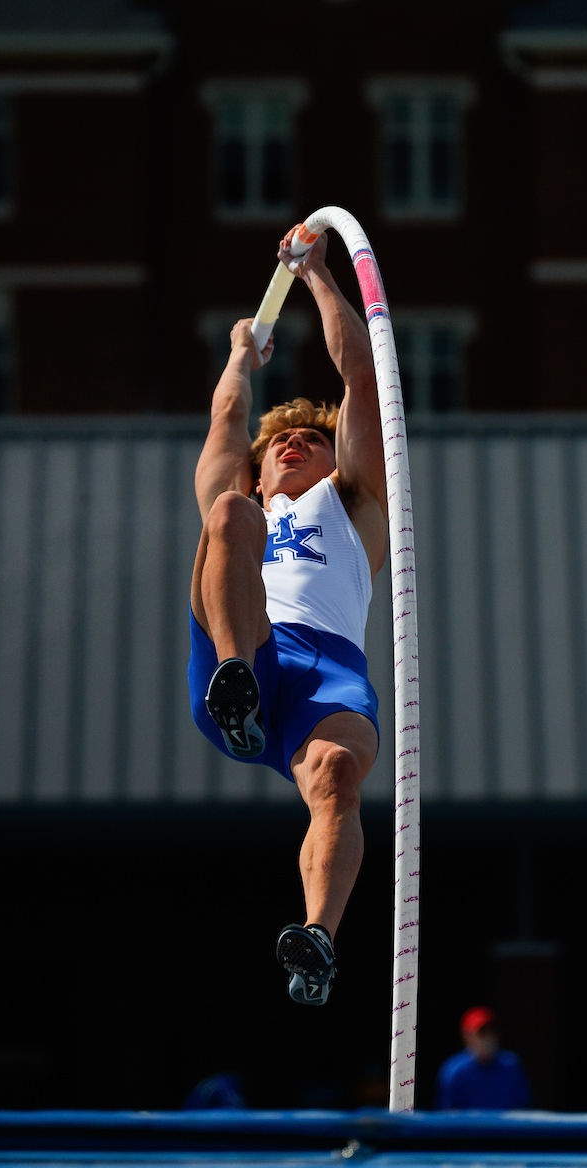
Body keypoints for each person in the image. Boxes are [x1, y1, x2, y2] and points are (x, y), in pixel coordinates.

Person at [188, 228, 386, 1007]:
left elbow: (361, 377)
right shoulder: (242, 492)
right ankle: (238, 683)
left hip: (328, 672)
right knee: (230, 517)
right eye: (284, 442)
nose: (297, 444)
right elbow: (229, 419)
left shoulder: (356, 503)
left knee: (340, 776)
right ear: (263, 458)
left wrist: (320, 277)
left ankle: (318, 944)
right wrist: (244, 349)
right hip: (248, 643)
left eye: (313, 439)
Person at [434, 1007, 532, 1111]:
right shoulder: (455, 1070)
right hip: (468, 1127)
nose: (489, 1038)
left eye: (493, 1031)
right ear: (467, 1036)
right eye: (482, 1033)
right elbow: (447, 1114)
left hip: (503, 1127)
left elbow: (522, 1108)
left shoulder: (511, 1065)